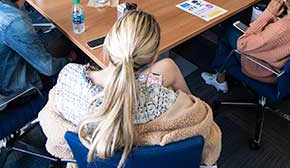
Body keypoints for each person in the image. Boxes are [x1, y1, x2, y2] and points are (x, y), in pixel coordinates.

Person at [39, 10, 221, 167]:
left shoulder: (68, 76)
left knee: (168, 67)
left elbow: (51, 121)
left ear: (108, 44)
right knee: (169, 67)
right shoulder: (167, 101)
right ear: (152, 59)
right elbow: (209, 139)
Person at [201, 0, 290, 92]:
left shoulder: (280, 30)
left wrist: (268, 13)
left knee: (227, 28)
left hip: (264, 70)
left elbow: (242, 44)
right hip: (282, 59)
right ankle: (221, 74)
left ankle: (219, 78)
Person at [0, 0, 77, 96]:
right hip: (16, 88)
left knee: (58, 40)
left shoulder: (6, 6)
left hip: (8, 67)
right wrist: (69, 60)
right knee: (72, 49)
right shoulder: (17, 22)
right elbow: (48, 68)